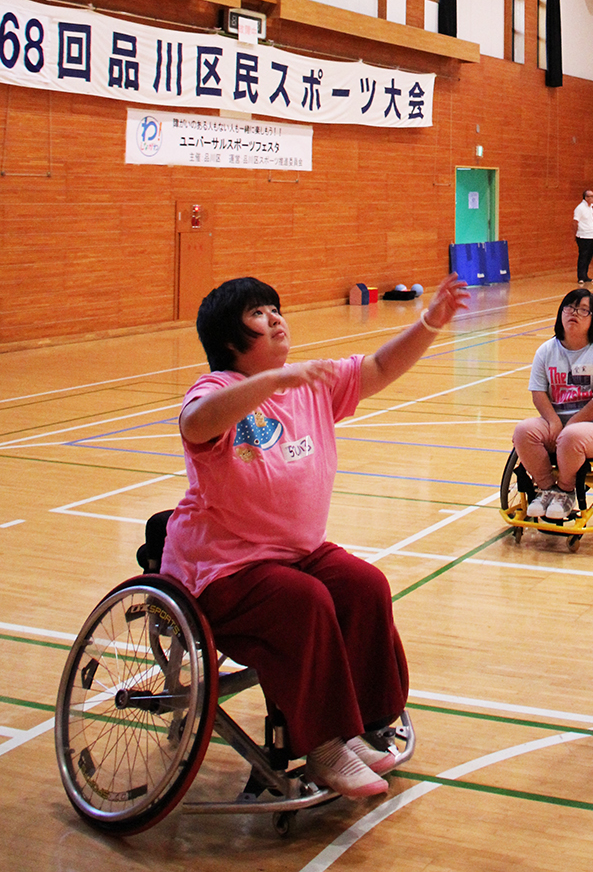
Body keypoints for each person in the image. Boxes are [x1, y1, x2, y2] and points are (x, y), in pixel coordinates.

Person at [160, 271, 469, 799]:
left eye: (275, 308)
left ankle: (367, 726)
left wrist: (430, 322)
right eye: (258, 314)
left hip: (294, 553)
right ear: (231, 341)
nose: (276, 318)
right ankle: (325, 748)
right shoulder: (219, 389)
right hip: (223, 570)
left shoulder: (309, 385)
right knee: (304, 602)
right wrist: (275, 382)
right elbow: (194, 424)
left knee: (362, 584)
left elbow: (376, 367)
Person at [513, 288, 593, 523]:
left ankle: (566, 490)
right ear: (561, 313)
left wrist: (571, 423)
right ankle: (546, 489)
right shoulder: (546, 350)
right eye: (570, 308)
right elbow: (538, 393)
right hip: (558, 423)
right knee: (523, 431)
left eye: (583, 310)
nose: (574, 313)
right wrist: (553, 420)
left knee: (571, 436)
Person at [573, 188, 593, 285]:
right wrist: (575, 234)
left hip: (591, 235)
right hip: (583, 236)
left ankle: (585, 275)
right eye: (591, 196)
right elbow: (575, 222)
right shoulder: (580, 208)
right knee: (583, 256)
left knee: (589, 256)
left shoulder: (591, 207)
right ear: (586, 197)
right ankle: (580, 277)